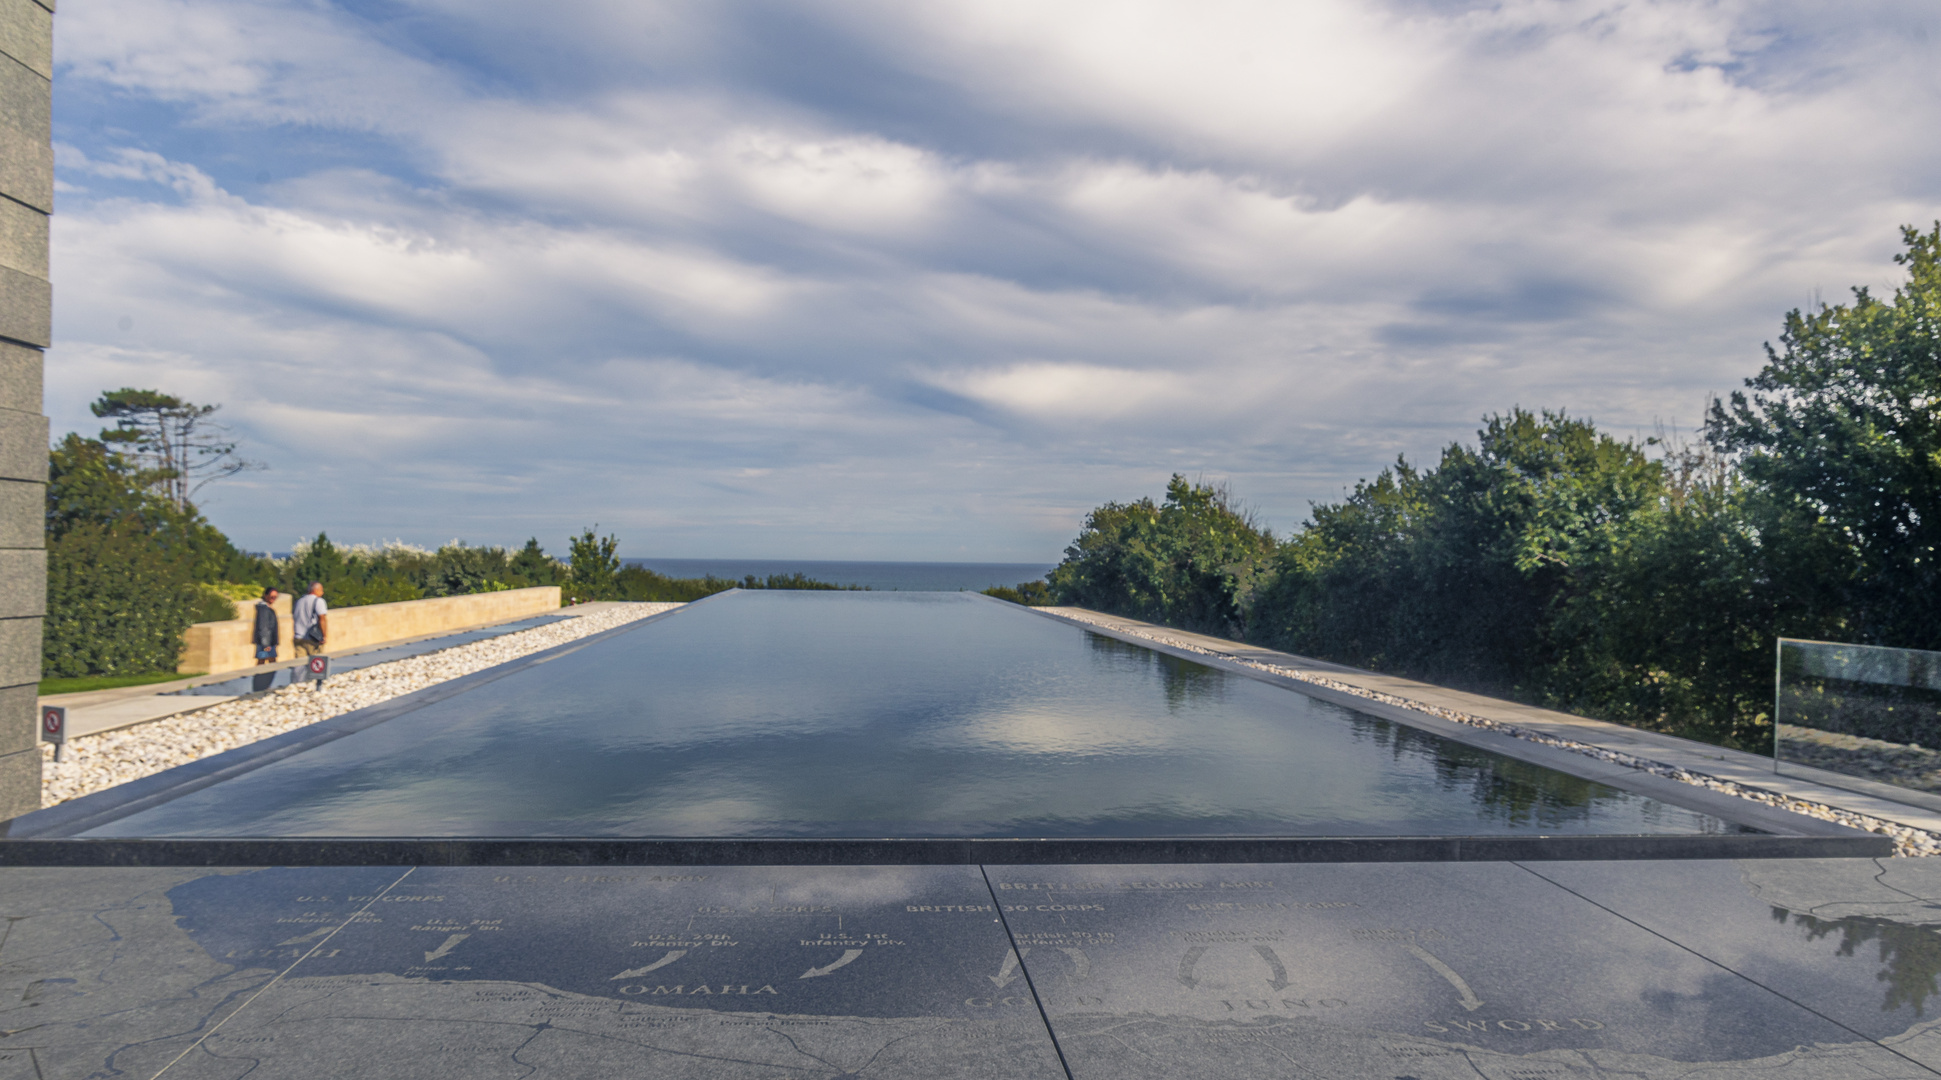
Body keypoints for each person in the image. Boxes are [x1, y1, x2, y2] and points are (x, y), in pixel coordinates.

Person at [293, 581, 329, 657]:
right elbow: (322, 619)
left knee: (300, 666)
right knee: (316, 665)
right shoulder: (318, 601)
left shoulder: (299, 601)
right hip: (312, 639)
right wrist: (324, 636)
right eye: (321, 590)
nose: (322, 593)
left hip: (298, 638)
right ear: (315, 590)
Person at [253, 587, 280, 664]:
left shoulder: (266, 608)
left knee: (263, 661)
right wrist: (266, 644)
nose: (273, 599)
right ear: (266, 596)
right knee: (269, 662)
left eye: (275, 597)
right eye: (272, 597)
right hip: (266, 642)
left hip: (267, 641)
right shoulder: (264, 609)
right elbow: (263, 626)